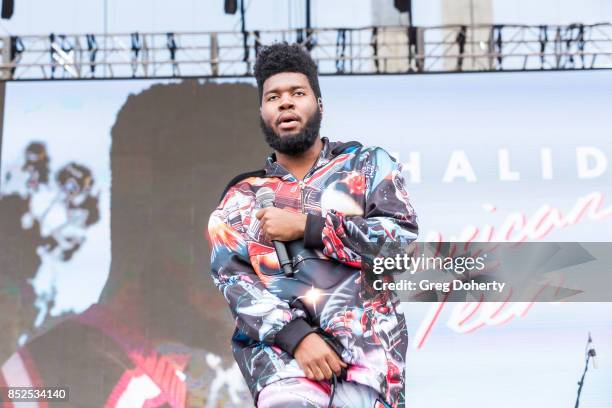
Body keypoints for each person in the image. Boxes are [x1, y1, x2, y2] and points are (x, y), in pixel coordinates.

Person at [208, 43, 418, 408]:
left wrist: (310, 227)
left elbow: (401, 248)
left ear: (319, 105)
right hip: (282, 366)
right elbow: (234, 282)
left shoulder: (366, 166)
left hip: (366, 363)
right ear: (262, 112)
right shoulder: (241, 197)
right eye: (273, 97)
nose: (285, 103)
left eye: (297, 93)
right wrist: (297, 337)